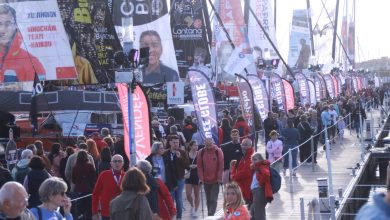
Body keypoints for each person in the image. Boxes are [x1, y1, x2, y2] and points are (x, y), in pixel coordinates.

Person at [0, 4, 45, 83]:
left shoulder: (32, 62)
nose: (2, 30)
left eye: (7, 24)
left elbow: (40, 89)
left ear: (15, 26)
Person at [162, 135, 189, 220]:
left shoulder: (182, 152)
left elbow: (187, 166)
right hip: (169, 180)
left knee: (179, 199)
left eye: (177, 142)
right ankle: (171, 216)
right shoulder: (165, 153)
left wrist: (179, 157)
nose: (176, 144)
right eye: (174, 142)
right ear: (169, 143)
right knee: (170, 198)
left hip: (179, 178)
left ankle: (179, 217)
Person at [92, 154, 125, 220]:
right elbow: (95, 194)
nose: (117, 163)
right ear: (111, 163)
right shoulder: (104, 175)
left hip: (123, 212)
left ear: (123, 163)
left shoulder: (126, 175)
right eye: (115, 161)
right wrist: (94, 212)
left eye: (119, 161)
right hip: (106, 212)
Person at [197, 137, 224, 216]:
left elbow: (221, 165)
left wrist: (219, 178)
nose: (208, 147)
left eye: (210, 145)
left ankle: (210, 214)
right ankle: (210, 215)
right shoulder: (201, 152)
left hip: (215, 180)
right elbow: (199, 166)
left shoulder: (218, 151)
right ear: (204, 144)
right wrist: (201, 178)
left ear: (213, 143)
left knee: (213, 198)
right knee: (208, 199)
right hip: (206, 180)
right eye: (206, 145)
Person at [72, 150, 97, 220]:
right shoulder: (90, 166)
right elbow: (94, 178)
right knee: (89, 209)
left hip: (78, 190)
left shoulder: (75, 167)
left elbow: (73, 180)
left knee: (79, 209)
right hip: (88, 190)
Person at [230, 138, 255, 204]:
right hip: (241, 190)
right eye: (242, 144)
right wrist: (233, 170)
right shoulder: (243, 156)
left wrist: (233, 176)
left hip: (247, 191)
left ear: (251, 146)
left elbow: (246, 173)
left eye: (246, 145)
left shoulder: (251, 157)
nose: (243, 146)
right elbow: (236, 168)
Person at [250, 153, 273, 220]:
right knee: (252, 212)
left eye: (255, 159)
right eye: (252, 160)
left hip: (259, 191)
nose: (254, 161)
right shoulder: (256, 168)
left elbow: (266, 175)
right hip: (256, 191)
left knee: (259, 213)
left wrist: (260, 183)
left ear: (260, 159)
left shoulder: (262, 166)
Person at [185, 141, 200, 217]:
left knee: (197, 194)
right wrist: (189, 166)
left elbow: (202, 163)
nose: (196, 147)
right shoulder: (186, 154)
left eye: (197, 145)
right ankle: (192, 205)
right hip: (188, 175)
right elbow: (183, 164)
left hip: (197, 175)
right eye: (194, 145)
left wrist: (196, 165)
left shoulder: (199, 154)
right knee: (188, 194)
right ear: (190, 146)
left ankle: (195, 211)